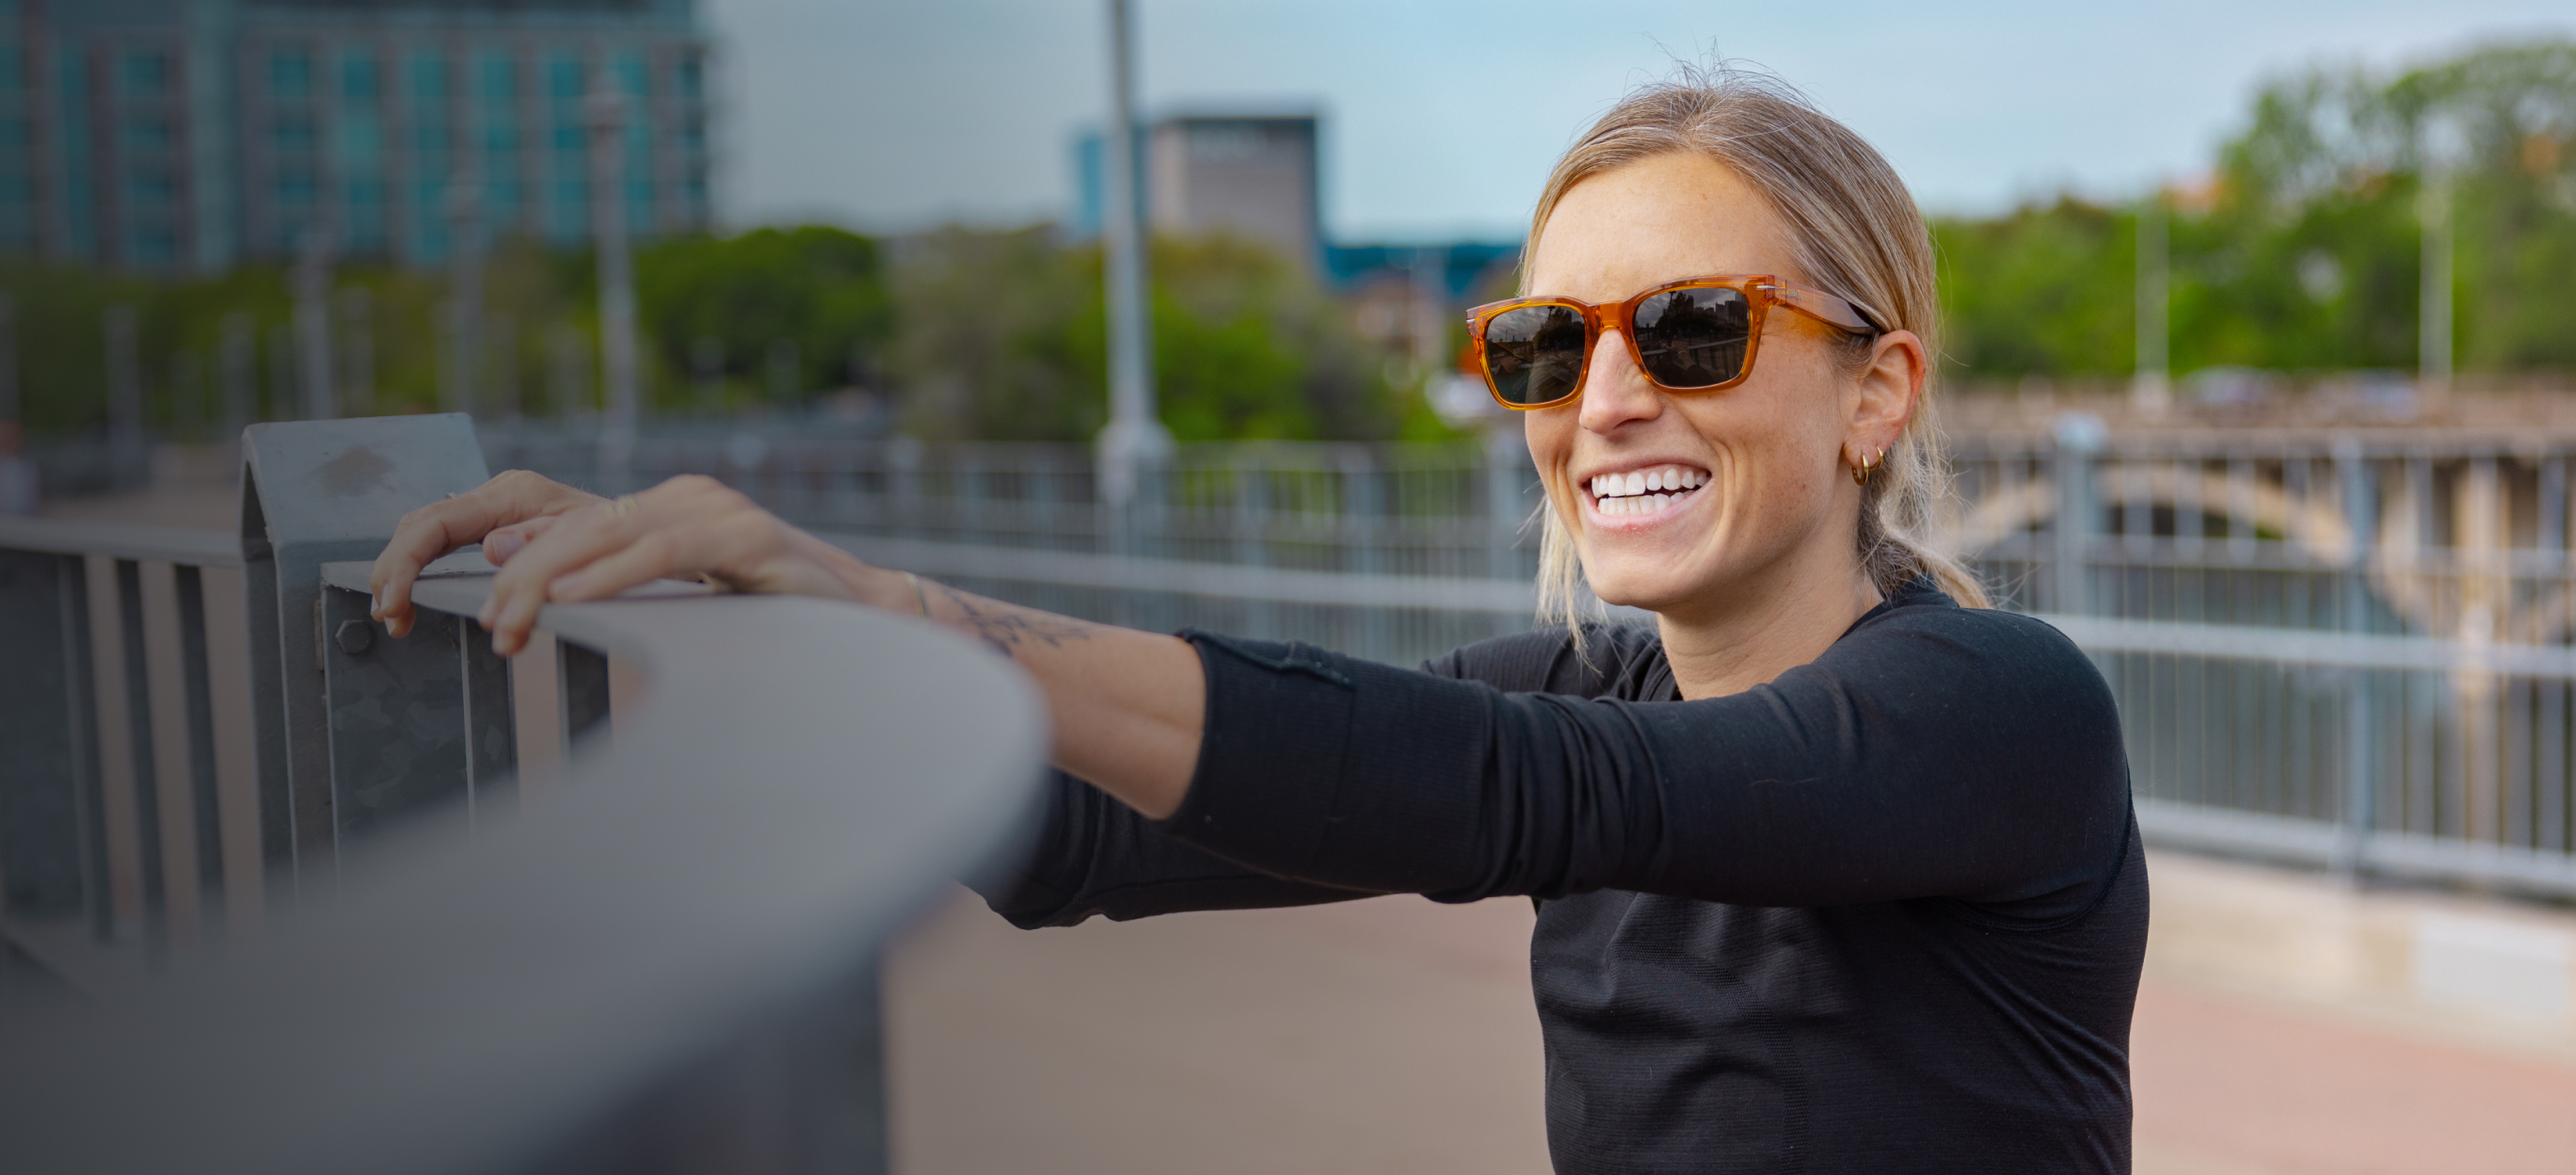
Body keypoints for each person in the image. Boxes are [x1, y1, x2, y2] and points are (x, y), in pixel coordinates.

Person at [370, 68, 2144, 1174]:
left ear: (1873, 390)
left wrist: (894, 598)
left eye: (1690, 331)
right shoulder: (1584, 688)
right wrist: (753, 633)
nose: (1601, 401)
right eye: (1543, 345)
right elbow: (1075, 838)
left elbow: (1522, 790)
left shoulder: (1996, 710)